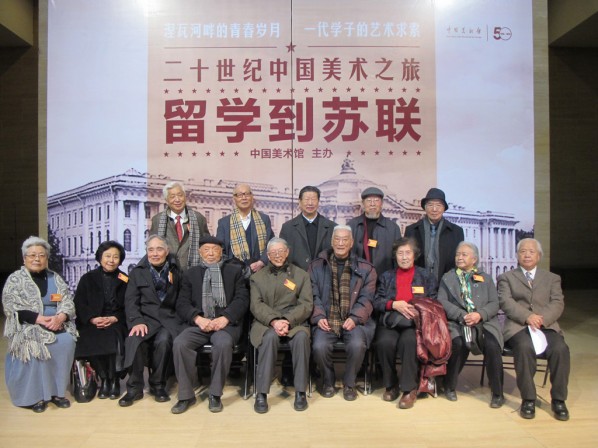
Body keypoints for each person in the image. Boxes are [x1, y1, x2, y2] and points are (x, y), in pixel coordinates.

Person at [171, 235, 249, 414]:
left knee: (222, 344)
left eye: (215, 249)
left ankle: (215, 394)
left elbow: (242, 299)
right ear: (200, 252)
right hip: (199, 324)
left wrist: (226, 318)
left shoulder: (234, 271)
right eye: (206, 249)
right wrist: (198, 319)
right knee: (180, 344)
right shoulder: (190, 274)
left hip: (226, 325)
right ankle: (185, 395)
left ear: (222, 251)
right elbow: (182, 303)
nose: (211, 253)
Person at [498, 238, 570, 421]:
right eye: (522, 251)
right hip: (518, 326)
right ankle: (528, 399)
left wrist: (541, 319)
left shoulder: (552, 278)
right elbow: (506, 302)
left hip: (546, 326)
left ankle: (559, 400)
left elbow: (557, 303)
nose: (527, 254)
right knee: (523, 348)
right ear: (517, 256)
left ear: (538, 256)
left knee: (561, 349)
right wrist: (527, 317)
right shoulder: (506, 278)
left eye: (531, 251)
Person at [2, 236, 77, 413]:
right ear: (24, 258)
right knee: (35, 342)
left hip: (56, 322)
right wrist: (39, 319)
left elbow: (67, 300)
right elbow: (11, 306)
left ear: (46, 258)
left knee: (66, 340)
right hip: (28, 324)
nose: (37, 259)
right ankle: (35, 396)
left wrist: (61, 316)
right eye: (32, 255)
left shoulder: (55, 278)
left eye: (41, 255)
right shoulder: (15, 279)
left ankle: (57, 393)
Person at [308, 225, 376, 401]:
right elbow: (312, 295)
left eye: (345, 239)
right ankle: (328, 381)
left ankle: (349, 383)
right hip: (326, 319)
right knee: (319, 346)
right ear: (331, 242)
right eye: (337, 239)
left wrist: (355, 318)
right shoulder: (316, 266)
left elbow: (367, 298)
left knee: (357, 345)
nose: (340, 243)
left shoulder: (366, 268)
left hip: (355, 321)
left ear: (351, 243)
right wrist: (319, 316)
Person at [118, 235, 185, 407]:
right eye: (151, 250)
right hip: (145, 319)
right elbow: (130, 302)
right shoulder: (137, 272)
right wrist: (137, 321)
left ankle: (158, 385)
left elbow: (182, 299)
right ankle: (134, 388)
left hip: (168, 320)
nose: (155, 254)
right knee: (135, 340)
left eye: (159, 249)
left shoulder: (176, 271)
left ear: (167, 251)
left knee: (164, 341)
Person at [250, 238, 313, 414]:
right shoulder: (257, 278)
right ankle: (261, 393)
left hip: (294, 321)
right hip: (266, 323)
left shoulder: (301, 275)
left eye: (281, 251)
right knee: (269, 338)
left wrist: (287, 320)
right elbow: (256, 305)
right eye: (273, 253)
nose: (278, 255)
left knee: (301, 338)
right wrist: (274, 321)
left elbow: (306, 304)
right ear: (268, 255)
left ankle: (300, 392)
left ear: (287, 252)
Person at [437, 241, 504, 407]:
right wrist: (462, 315)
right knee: (458, 343)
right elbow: (442, 301)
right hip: (457, 322)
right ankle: (449, 386)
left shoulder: (485, 278)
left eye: (464, 255)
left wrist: (480, 315)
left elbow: (494, 303)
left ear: (474, 259)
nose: (459, 257)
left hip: (484, 322)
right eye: (457, 255)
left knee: (492, 345)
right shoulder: (448, 277)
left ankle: (497, 393)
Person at [373, 237, 437, 409]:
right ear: (395, 256)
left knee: (409, 342)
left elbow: (433, 301)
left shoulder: (425, 276)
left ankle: (409, 389)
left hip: (414, 324)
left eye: (407, 253)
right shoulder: (386, 276)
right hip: (391, 321)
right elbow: (377, 301)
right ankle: (391, 385)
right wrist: (394, 304)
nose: (404, 257)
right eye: (400, 253)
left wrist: (418, 309)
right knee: (384, 342)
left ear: (415, 255)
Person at [74, 240, 128, 400]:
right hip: (92, 321)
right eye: (107, 256)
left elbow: (130, 305)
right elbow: (79, 303)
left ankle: (114, 380)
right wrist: (92, 319)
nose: (111, 260)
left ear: (120, 259)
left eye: (115, 257)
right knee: (90, 337)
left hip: (116, 321)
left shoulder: (124, 278)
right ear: (100, 258)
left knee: (114, 337)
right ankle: (104, 379)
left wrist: (114, 318)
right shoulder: (87, 278)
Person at [404, 188, 464, 285]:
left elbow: (459, 261)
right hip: (417, 283)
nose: (434, 209)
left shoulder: (456, 232)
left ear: (444, 208)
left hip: (447, 284)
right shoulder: (411, 230)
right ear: (425, 207)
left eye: (438, 205)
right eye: (430, 205)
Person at [150, 181, 210, 271]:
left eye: (180, 195)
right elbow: (151, 247)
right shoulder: (157, 220)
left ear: (185, 197)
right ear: (166, 200)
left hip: (193, 272)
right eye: (172, 197)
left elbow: (207, 245)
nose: (177, 200)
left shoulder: (198, 218)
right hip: (167, 273)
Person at [217, 183, 275, 276]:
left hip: (261, 272)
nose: (244, 198)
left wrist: (262, 262)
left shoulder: (264, 219)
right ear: (234, 199)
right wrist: (233, 268)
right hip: (234, 274)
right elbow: (220, 250)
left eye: (247, 194)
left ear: (252, 197)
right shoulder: (224, 223)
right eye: (239, 195)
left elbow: (271, 244)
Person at [347, 186, 402, 276]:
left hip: (384, 278)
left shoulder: (393, 228)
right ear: (363, 204)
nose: (372, 204)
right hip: (358, 278)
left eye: (376, 200)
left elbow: (397, 256)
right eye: (369, 201)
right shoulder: (352, 225)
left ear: (382, 203)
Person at [280, 185, 336, 271]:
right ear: (300, 202)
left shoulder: (332, 227)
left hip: (324, 279)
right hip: (297, 279)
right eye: (306, 199)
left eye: (313, 199)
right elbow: (282, 256)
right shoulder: (288, 227)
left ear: (318, 202)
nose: (310, 203)